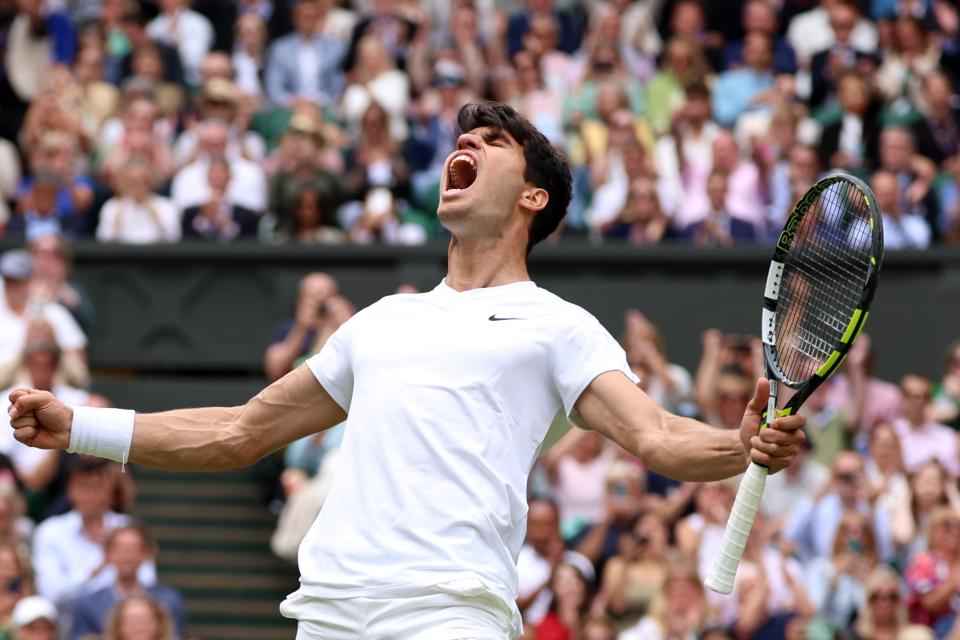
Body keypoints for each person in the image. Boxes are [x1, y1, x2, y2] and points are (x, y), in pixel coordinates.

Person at [6, 103, 806, 639]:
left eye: (492, 143)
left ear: (533, 197)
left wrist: (741, 447)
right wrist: (82, 428)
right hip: (328, 615)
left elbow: (659, 436)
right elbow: (240, 431)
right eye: (466, 138)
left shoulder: (563, 328)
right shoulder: (380, 322)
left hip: (450, 617)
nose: (467, 145)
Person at [70, 525, 187, 640]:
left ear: (147, 554)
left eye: (134, 549)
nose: (127, 555)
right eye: (120, 549)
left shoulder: (169, 600)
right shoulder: (88, 604)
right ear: (107, 554)